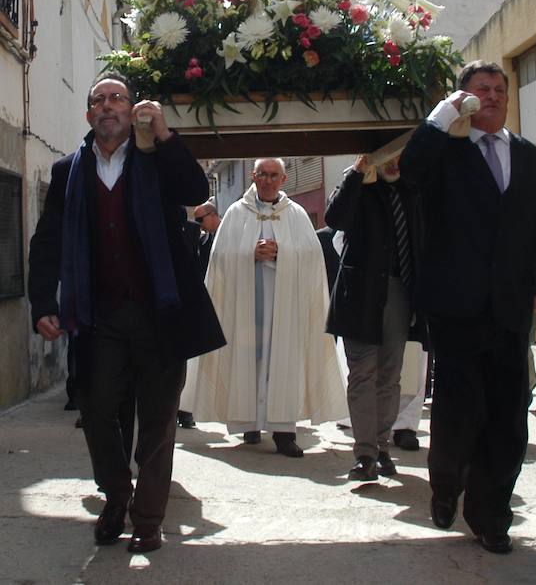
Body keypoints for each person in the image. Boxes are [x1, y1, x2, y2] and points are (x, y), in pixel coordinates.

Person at [28, 73, 225, 554]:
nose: (109, 106)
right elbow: (47, 243)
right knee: (95, 408)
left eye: (118, 98)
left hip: (160, 311)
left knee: (158, 420)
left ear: (134, 109)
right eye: (100, 100)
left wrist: (163, 135)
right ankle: (117, 493)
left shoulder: (156, 160)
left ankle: (149, 518)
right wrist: (44, 304)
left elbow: (194, 186)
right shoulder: (67, 170)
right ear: (89, 114)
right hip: (98, 314)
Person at [399, 60, 536, 555]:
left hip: (509, 307)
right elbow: (410, 173)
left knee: (505, 415)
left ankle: (490, 515)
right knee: (460, 410)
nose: (495, 95)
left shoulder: (532, 160)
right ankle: (446, 486)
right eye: (484, 88)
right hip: (455, 307)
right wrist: (441, 118)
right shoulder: (445, 151)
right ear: (466, 97)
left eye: (501, 88)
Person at [194, 158, 346, 456]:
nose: (267, 180)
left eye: (273, 175)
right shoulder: (237, 213)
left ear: (284, 179)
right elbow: (219, 258)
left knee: (284, 361)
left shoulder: (297, 215)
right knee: (248, 358)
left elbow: (312, 258)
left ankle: (283, 431)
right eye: (262, 174)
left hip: (285, 306)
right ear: (253, 176)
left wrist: (282, 253)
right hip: (247, 306)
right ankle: (248, 422)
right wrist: (248, 253)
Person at [325, 155, 418, 481]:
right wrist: (358, 172)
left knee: (390, 376)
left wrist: (397, 181)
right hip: (361, 294)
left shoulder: (409, 189)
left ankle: (381, 446)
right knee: (362, 374)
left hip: (399, 292)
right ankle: (365, 453)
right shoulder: (358, 185)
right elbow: (335, 216)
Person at [177, 200, 222, 429]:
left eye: (200, 219)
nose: (198, 224)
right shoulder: (191, 235)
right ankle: (183, 409)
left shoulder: (226, 234)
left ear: (213, 216)